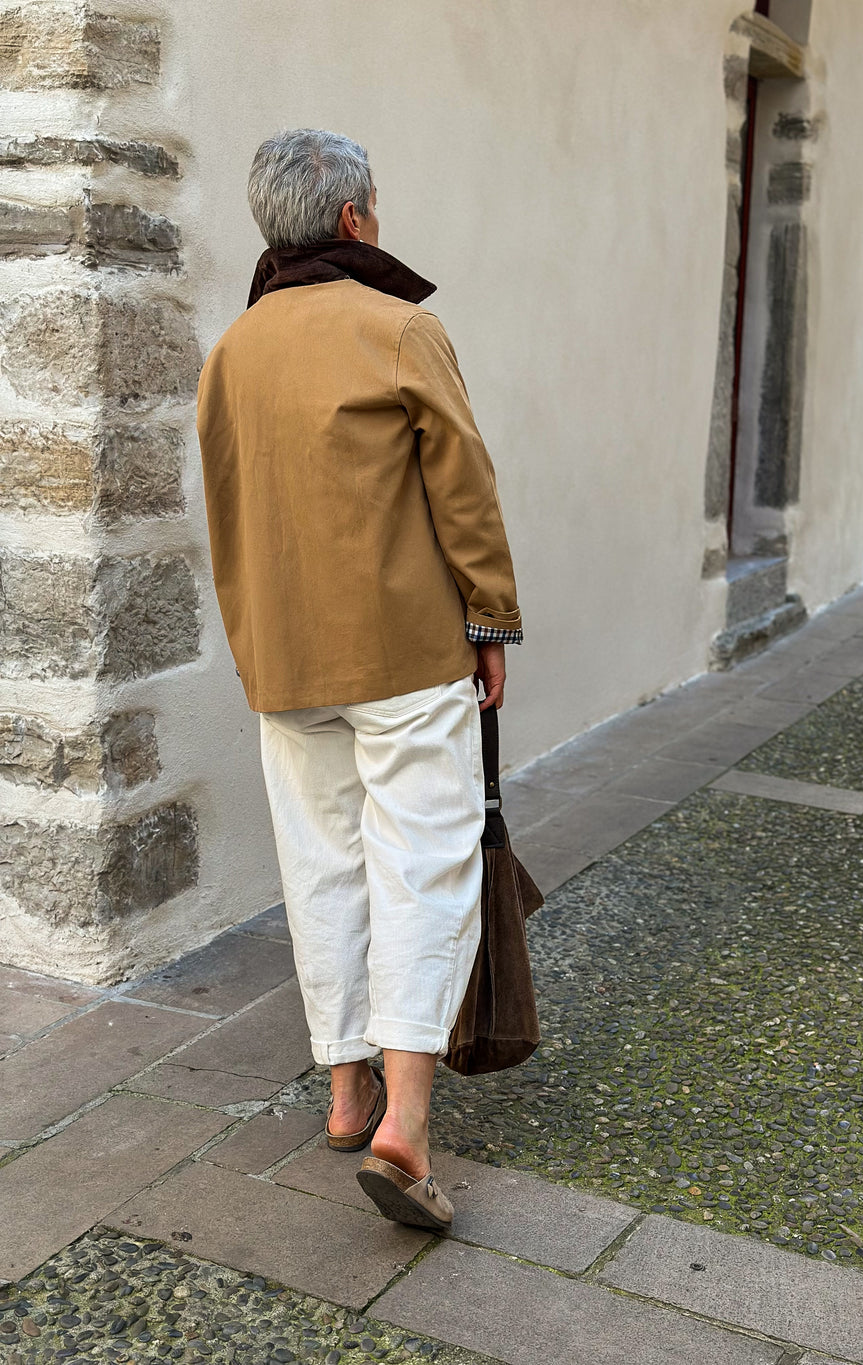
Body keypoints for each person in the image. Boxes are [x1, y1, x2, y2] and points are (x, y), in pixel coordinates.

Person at [196, 128, 523, 1233]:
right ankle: (406, 1126)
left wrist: (256, 643)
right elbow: (463, 489)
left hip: (286, 658)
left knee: (322, 865)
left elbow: (228, 510)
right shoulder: (399, 328)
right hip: (403, 650)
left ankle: (346, 1092)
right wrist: (490, 620)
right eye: (374, 206)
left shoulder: (234, 348)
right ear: (352, 219)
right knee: (422, 866)